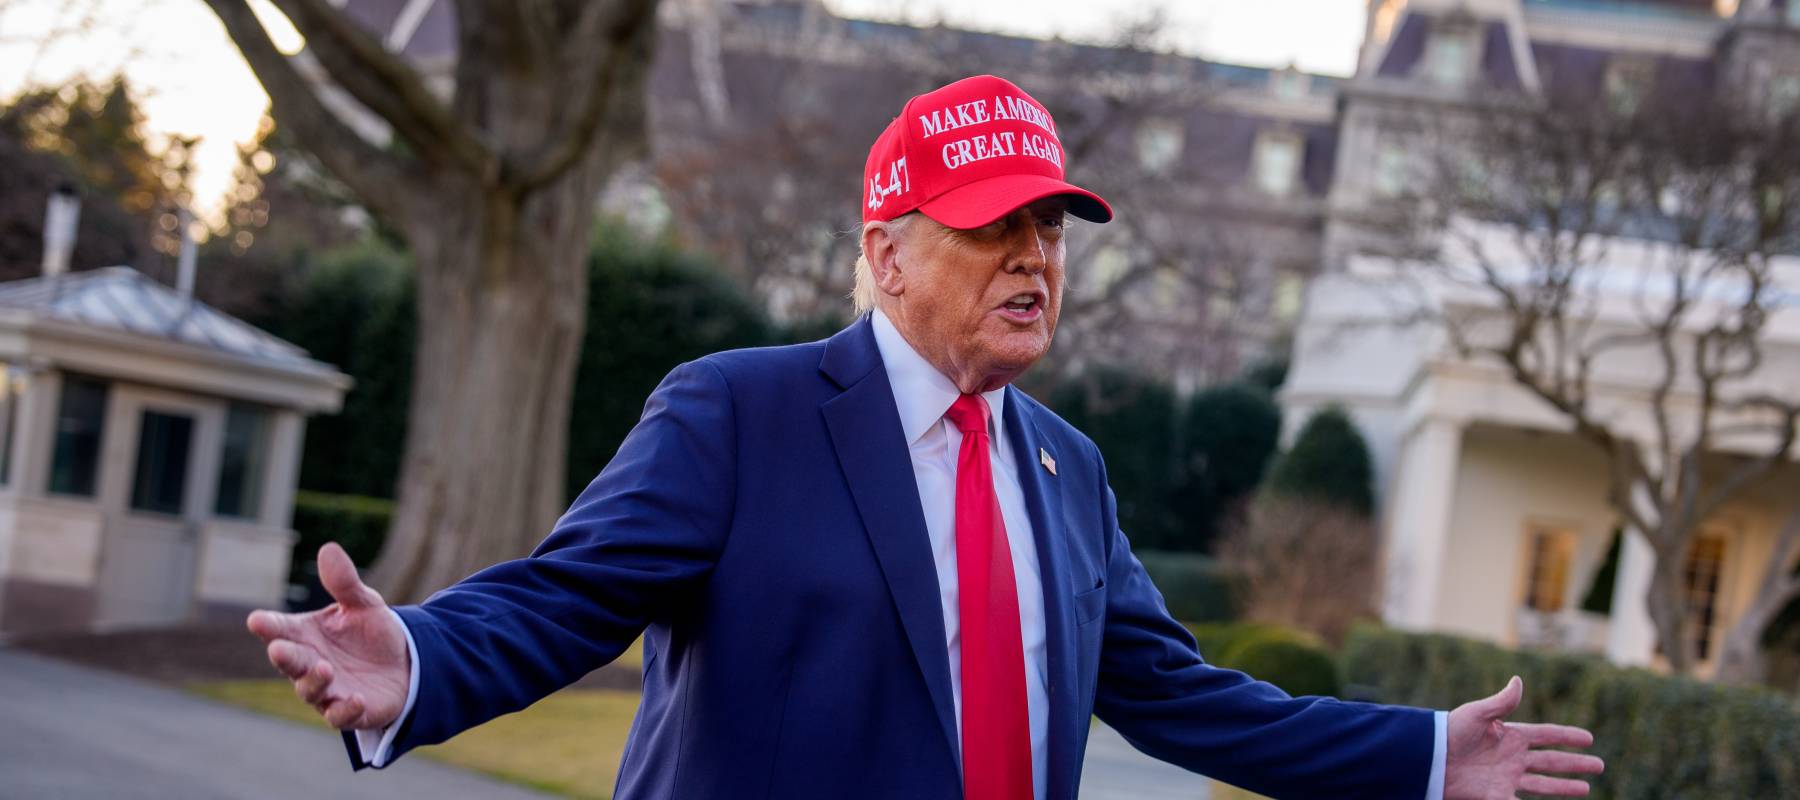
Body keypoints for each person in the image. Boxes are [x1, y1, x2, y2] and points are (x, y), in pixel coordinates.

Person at [248, 75, 1604, 799]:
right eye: (993, 227)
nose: (1034, 258)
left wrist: (1422, 758)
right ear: (886, 256)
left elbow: (1189, 700)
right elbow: (565, 600)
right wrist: (419, 655)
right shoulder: (741, 412)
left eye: (1049, 230)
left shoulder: (1069, 474)